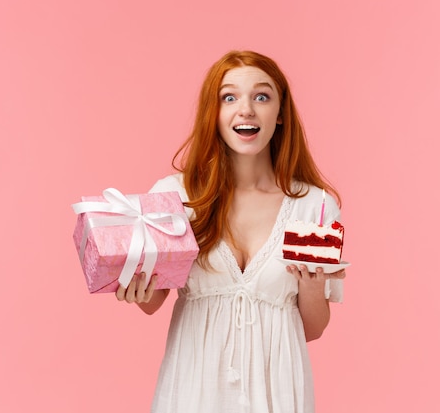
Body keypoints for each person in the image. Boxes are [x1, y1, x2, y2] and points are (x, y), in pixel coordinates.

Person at [115, 50, 346, 413]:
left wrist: (313, 286)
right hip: (194, 389)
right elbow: (154, 301)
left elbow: (313, 329)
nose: (246, 109)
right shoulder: (177, 196)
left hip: (278, 393)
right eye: (229, 97)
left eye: (262, 96)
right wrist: (135, 287)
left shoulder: (314, 207)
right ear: (215, 113)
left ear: (280, 113)